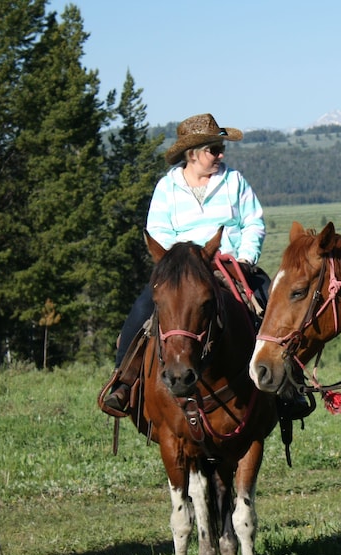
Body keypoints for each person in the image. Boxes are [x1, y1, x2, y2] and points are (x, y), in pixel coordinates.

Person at [103, 113, 312, 421]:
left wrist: (246, 256)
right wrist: (182, 264)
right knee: (141, 310)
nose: (220, 155)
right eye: (213, 149)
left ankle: (289, 386)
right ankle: (124, 381)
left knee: (271, 303)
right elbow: (158, 232)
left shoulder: (235, 181)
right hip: (182, 273)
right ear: (192, 154)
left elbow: (253, 222)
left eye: (219, 148)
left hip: (232, 266)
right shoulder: (167, 188)